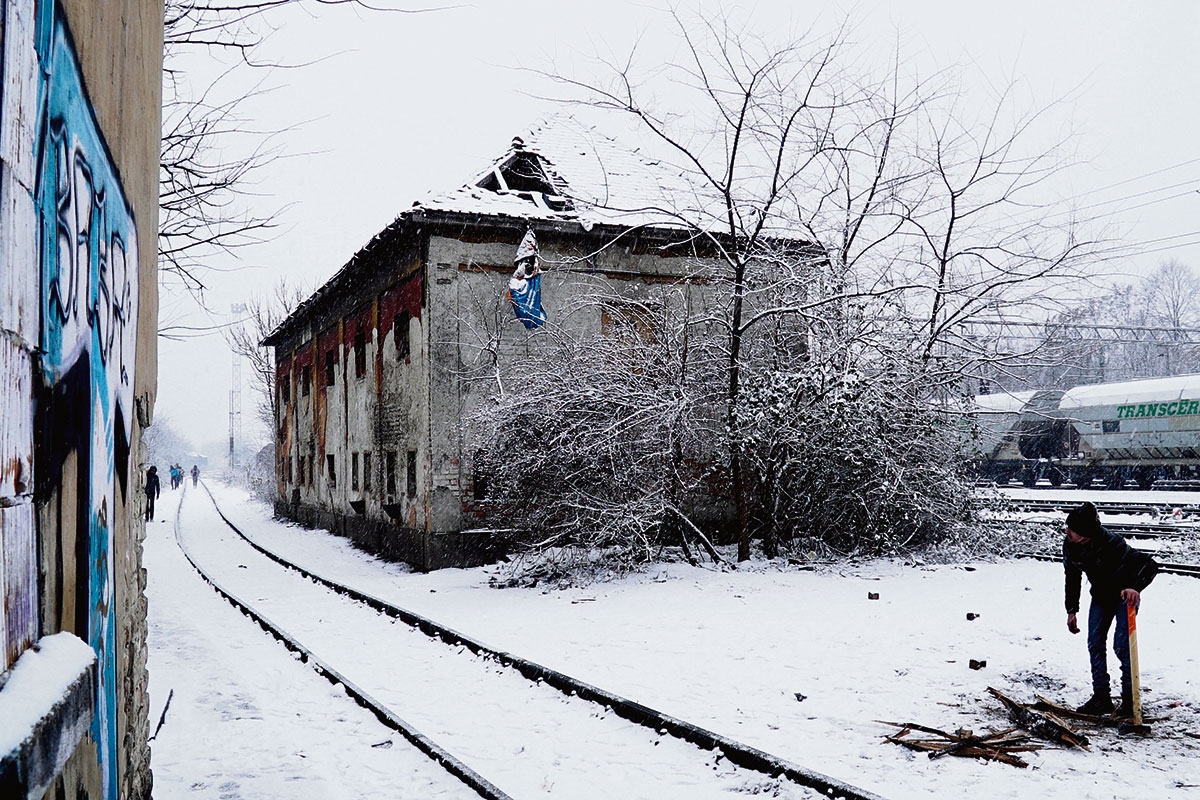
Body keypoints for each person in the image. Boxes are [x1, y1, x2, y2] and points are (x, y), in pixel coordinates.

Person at [1063, 501, 1159, 716]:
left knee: (1122, 647)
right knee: (1095, 644)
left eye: (1072, 529)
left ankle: (1130, 703)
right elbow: (1072, 577)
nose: (1066, 531)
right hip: (1100, 597)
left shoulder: (1112, 543)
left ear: (1085, 535)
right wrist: (1071, 609)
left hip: (1125, 599)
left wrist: (1134, 587)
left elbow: (1150, 565)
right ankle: (1101, 699)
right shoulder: (1070, 545)